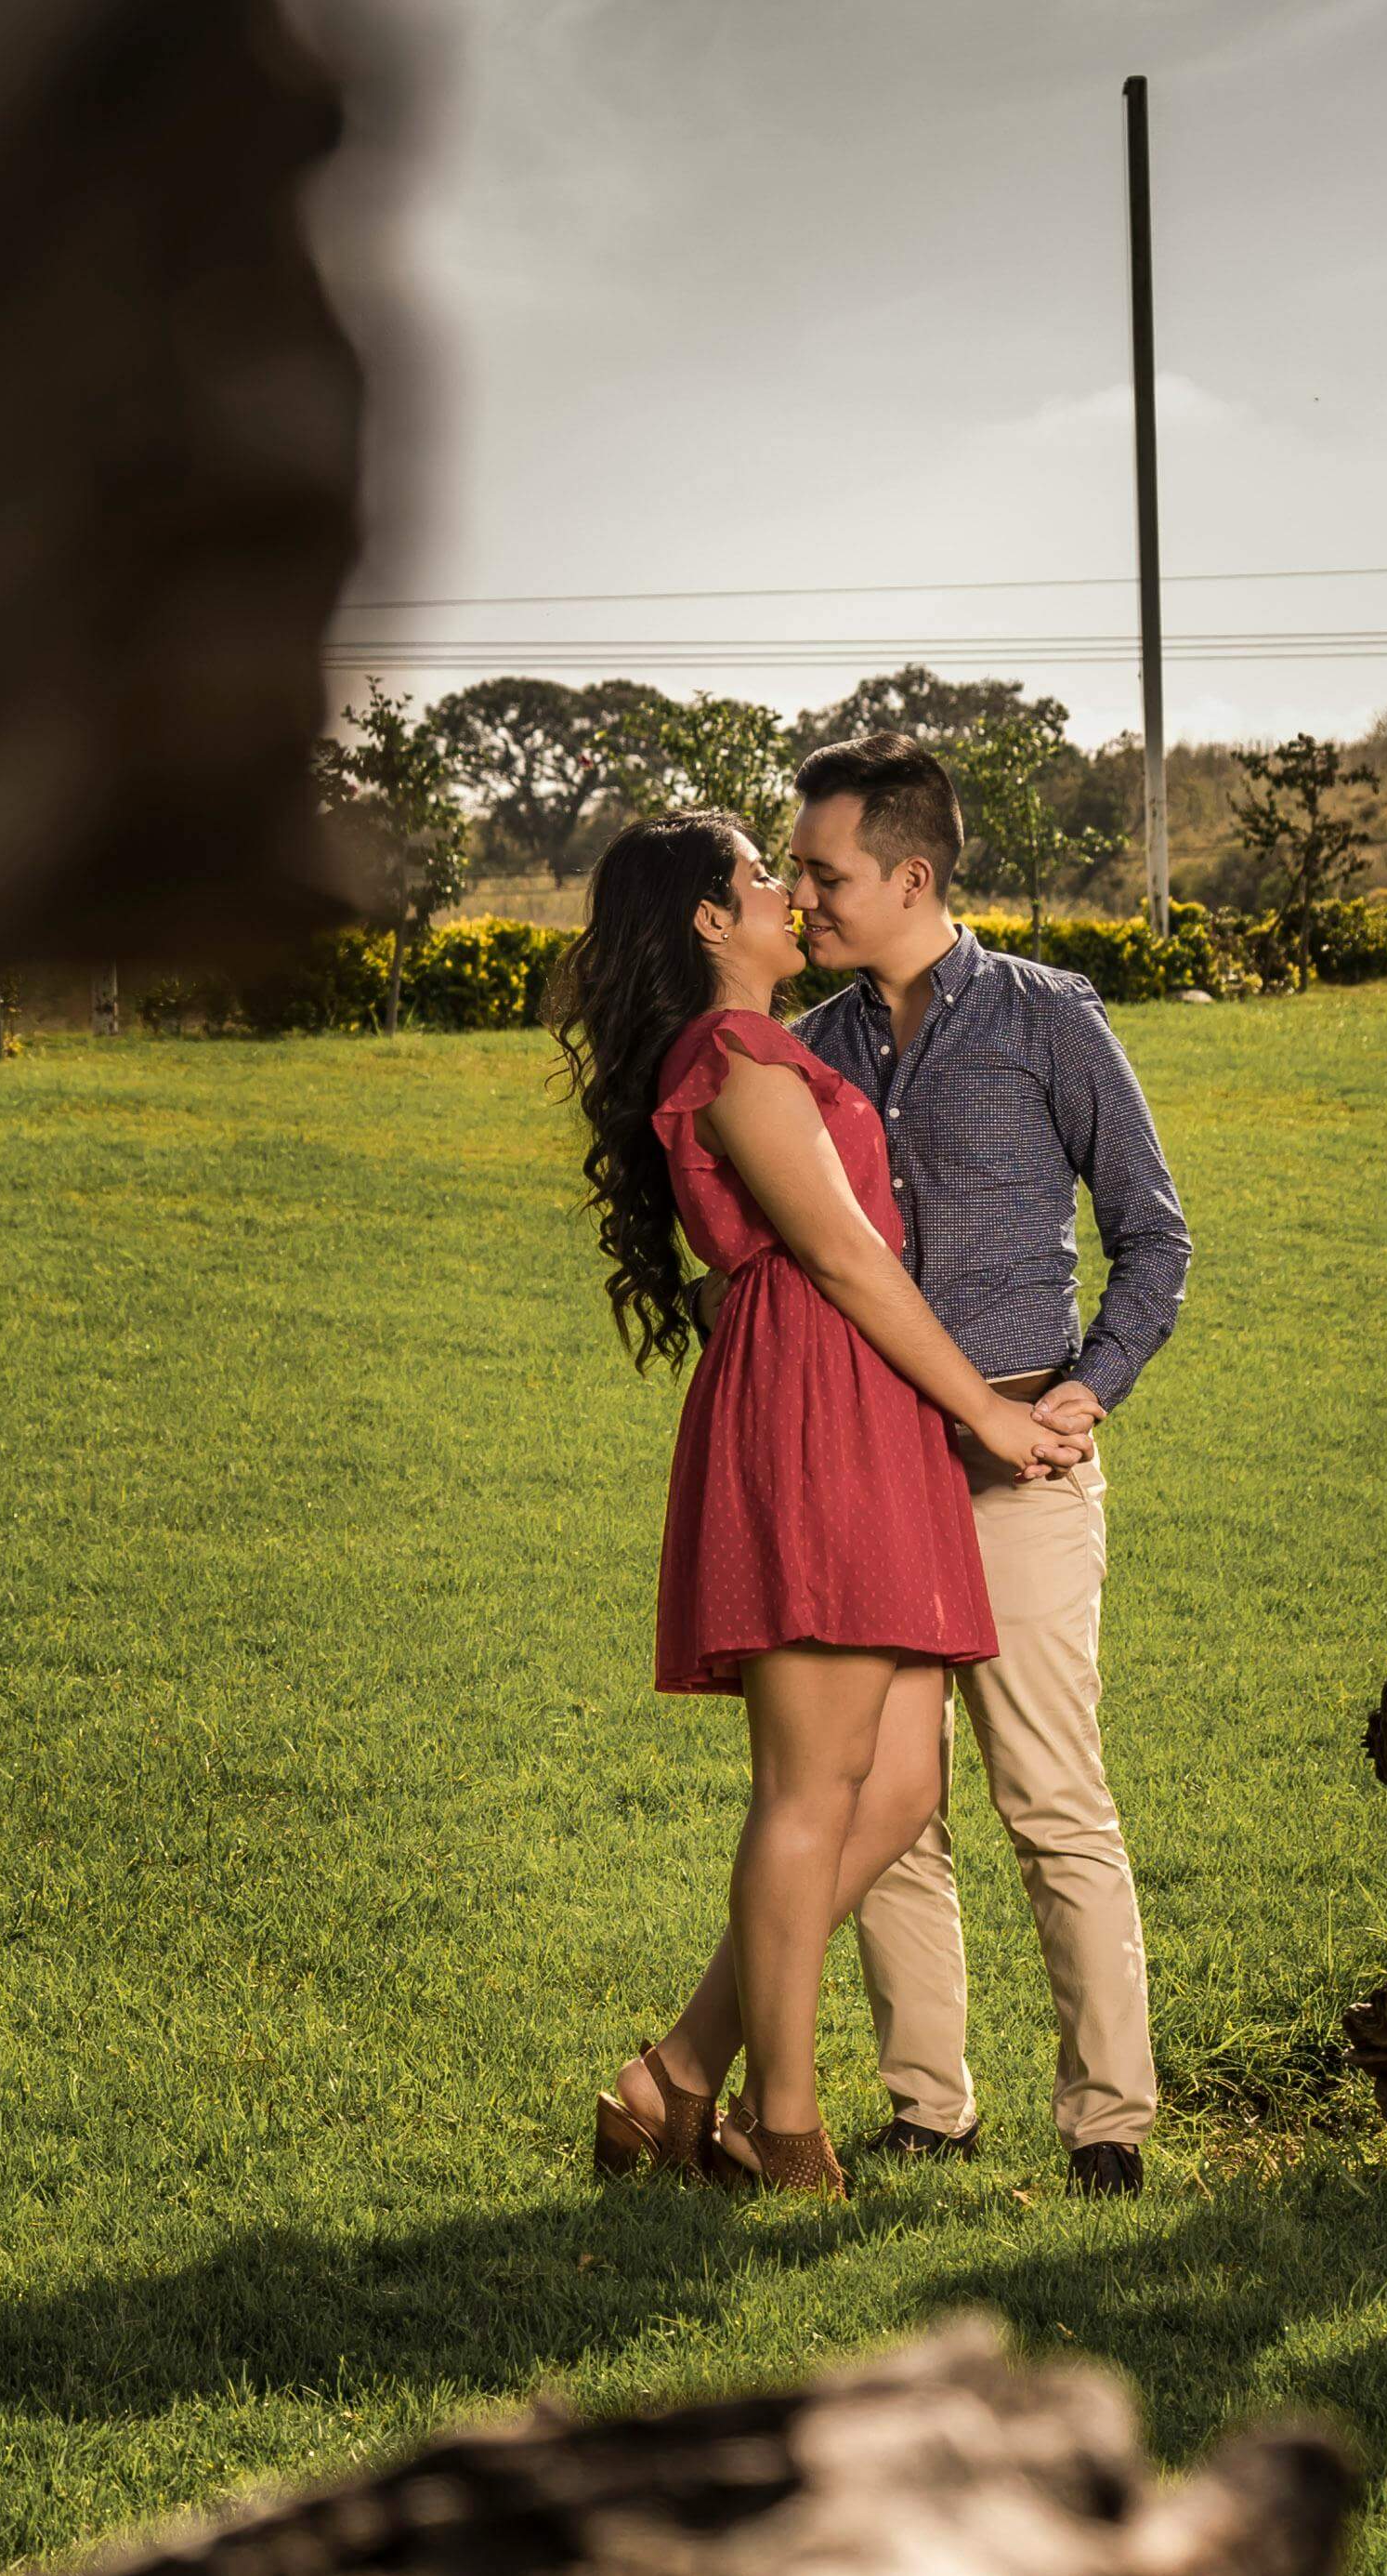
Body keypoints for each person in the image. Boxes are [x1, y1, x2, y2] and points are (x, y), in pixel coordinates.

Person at [547, 815, 1080, 2199]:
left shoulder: (762, 1052)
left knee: (895, 1789)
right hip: (821, 1409)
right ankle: (781, 2127)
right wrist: (986, 1410)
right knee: (808, 1789)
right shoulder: (730, 1057)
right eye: (761, 878)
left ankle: (672, 2072)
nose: (788, 893)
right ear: (711, 923)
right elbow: (839, 1253)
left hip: (858, 1409)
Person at [778, 734, 1192, 2195]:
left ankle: (1109, 2128)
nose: (801, 895)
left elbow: (1157, 1234)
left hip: (1022, 1472)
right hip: (870, 1476)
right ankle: (927, 2107)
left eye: (823, 873)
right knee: (889, 1805)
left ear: (912, 873)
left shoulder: (1048, 1021)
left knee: (1051, 1799)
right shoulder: (808, 1053)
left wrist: (1091, 1390)